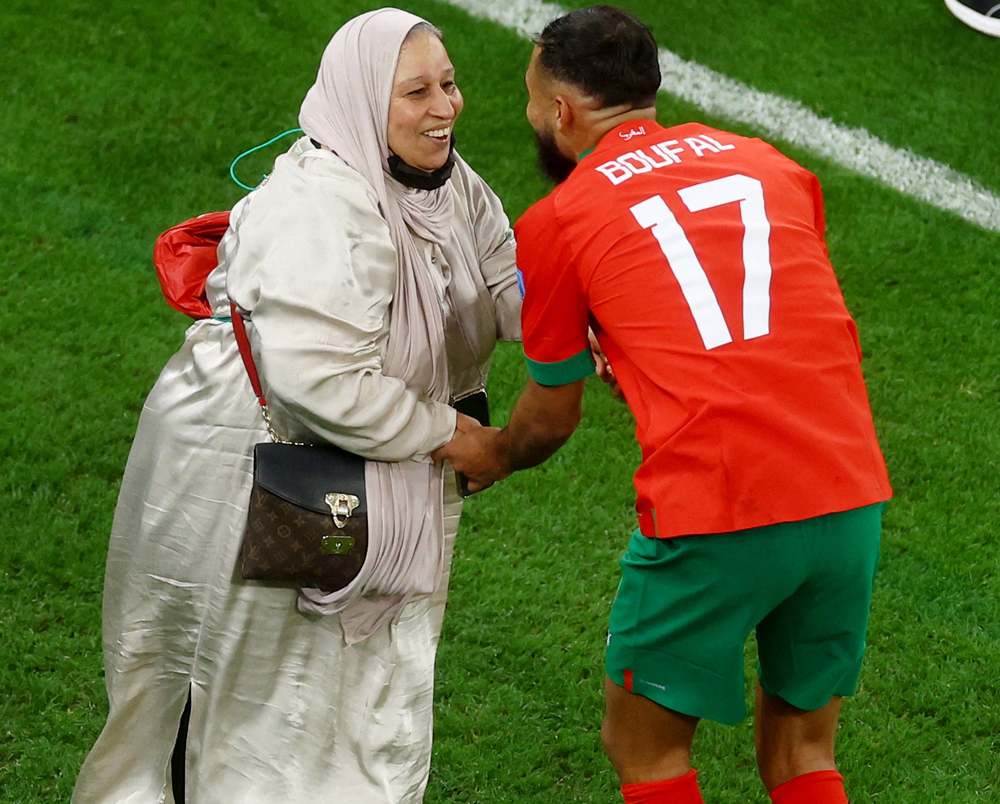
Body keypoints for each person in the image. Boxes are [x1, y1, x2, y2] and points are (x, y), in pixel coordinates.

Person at [435, 6, 892, 804]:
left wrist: (497, 451)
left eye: (531, 98)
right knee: (805, 753)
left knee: (644, 750)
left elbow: (552, 414)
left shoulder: (560, 221)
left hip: (718, 504)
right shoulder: (771, 165)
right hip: (850, 491)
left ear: (562, 113)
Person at [73, 9, 520, 804]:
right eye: (416, 91)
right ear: (360, 102)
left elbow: (501, 280)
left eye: (448, 83)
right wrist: (452, 433)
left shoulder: (451, 186)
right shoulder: (316, 210)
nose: (446, 106)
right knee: (243, 696)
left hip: (356, 463)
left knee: (348, 695)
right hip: (248, 465)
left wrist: (588, 328)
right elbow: (318, 386)